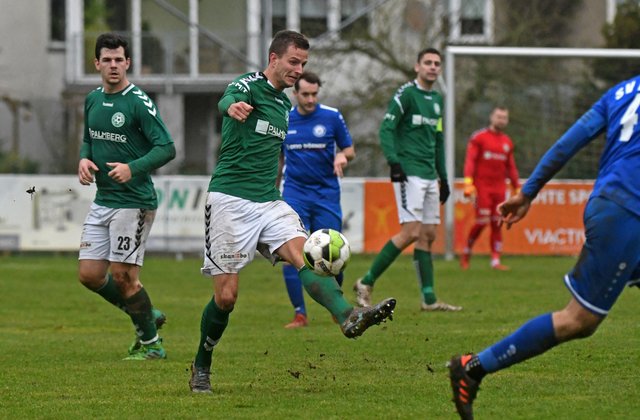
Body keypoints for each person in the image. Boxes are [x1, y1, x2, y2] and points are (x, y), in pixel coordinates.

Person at [189, 30, 396, 394]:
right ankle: (202, 364)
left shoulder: (284, 106)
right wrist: (231, 107)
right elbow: (228, 98)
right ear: (274, 59)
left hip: (269, 201)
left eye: (303, 64)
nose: (299, 70)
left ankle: (348, 315)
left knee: (306, 256)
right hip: (229, 201)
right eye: (293, 62)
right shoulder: (248, 86)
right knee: (226, 297)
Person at [448, 75, 640, 419]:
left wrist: (528, 192)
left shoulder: (620, 92)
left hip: (610, 203)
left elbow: (569, 142)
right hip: (628, 212)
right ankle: (473, 367)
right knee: (578, 320)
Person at [77, 33, 176, 360]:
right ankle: (146, 315)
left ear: (128, 63)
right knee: (90, 275)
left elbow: (167, 148)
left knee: (123, 276)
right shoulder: (92, 99)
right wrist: (83, 159)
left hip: (134, 202)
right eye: (107, 59)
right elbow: (88, 139)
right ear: (97, 63)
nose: (113, 65)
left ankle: (152, 346)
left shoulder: (138, 102)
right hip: (103, 200)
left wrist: (132, 168)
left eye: (119, 59)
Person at [353, 47, 460, 312]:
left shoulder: (437, 100)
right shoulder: (406, 94)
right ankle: (365, 282)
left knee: (428, 234)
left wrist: (444, 178)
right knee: (411, 232)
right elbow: (386, 128)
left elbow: (438, 141)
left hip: (429, 175)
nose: (433, 67)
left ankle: (429, 299)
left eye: (437, 63)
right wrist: (394, 162)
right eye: (428, 62)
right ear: (417, 66)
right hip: (409, 173)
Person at [278, 71, 356, 329]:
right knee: (292, 253)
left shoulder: (332, 116)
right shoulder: (284, 118)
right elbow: (278, 158)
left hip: (326, 194)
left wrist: (342, 156)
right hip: (295, 193)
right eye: (305, 94)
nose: (310, 99)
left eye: (314, 94)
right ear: (295, 94)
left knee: (334, 253)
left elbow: (349, 149)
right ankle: (300, 314)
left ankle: (336, 306)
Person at [460, 106, 520, 271]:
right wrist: (468, 183)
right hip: (482, 188)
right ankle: (466, 251)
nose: (501, 120)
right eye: (499, 117)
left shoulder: (507, 142)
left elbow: (511, 167)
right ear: (491, 117)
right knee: (482, 222)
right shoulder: (479, 138)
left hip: (499, 188)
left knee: (497, 222)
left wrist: (517, 189)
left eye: (504, 117)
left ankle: (495, 260)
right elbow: (470, 161)